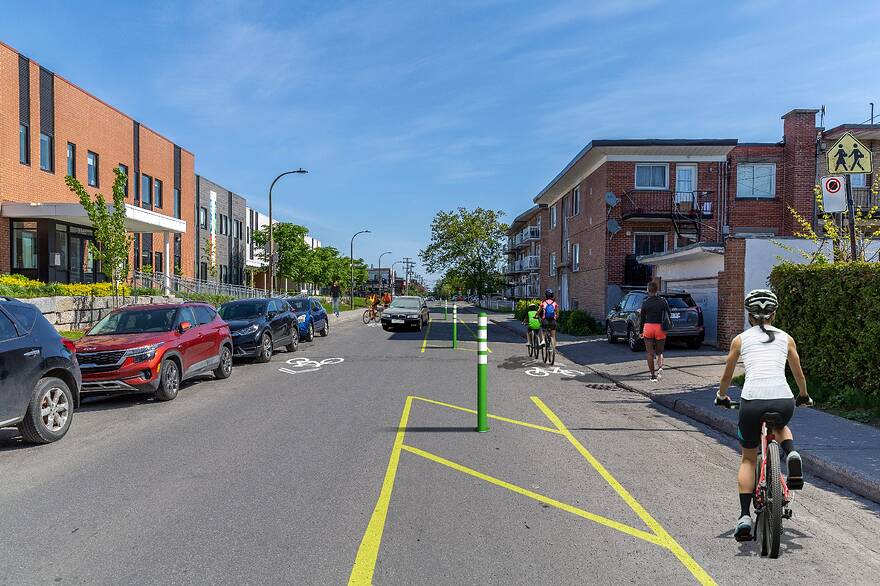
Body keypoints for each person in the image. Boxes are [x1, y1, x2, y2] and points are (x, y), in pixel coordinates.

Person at [715, 289, 813, 542]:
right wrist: (803, 395)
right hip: (782, 398)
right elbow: (798, 374)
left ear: (749, 316)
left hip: (752, 401)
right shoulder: (786, 338)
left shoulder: (740, 340)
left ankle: (744, 516)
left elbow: (727, 375)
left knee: (748, 458)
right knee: (780, 425)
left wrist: (722, 396)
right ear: (774, 314)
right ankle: (790, 452)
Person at [639, 281, 670, 382]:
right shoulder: (662, 301)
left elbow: (642, 318)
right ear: (657, 290)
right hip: (659, 327)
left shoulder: (645, 302)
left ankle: (652, 376)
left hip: (648, 327)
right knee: (659, 352)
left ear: (648, 290)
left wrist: (640, 332)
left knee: (649, 354)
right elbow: (668, 313)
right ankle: (660, 367)